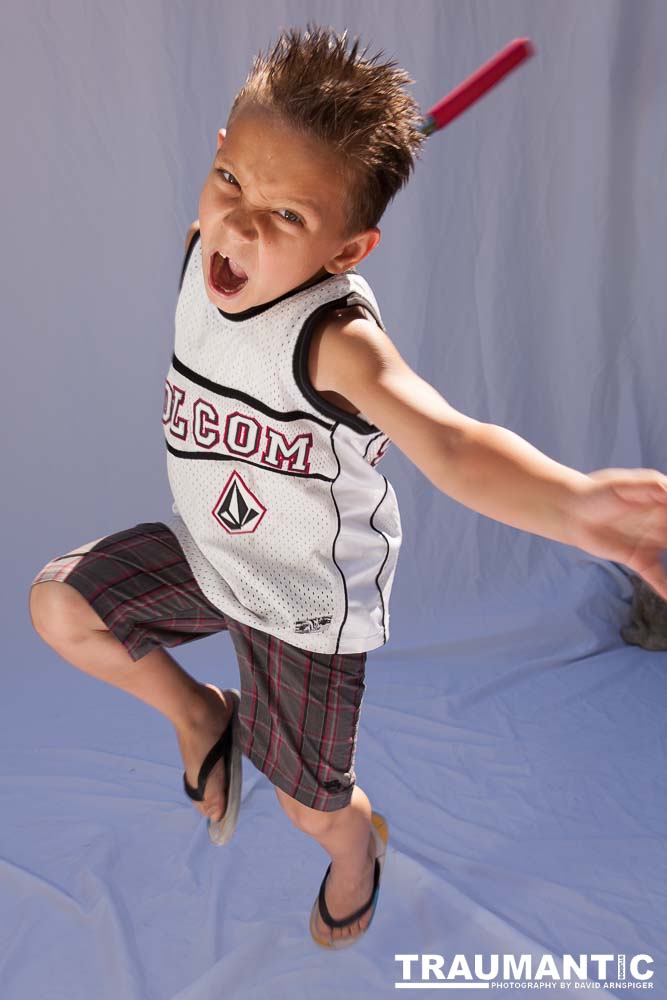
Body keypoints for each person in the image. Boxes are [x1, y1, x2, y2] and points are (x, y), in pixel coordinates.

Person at [27, 24, 667, 951]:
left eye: (288, 217)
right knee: (61, 606)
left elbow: (452, 445)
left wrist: (572, 506)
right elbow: (251, 208)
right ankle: (202, 714)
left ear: (348, 251)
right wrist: (279, 198)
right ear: (217, 151)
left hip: (303, 607)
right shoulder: (204, 250)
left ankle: (357, 849)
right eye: (232, 181)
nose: (241, 226)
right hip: (210, 555)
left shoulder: (338, 343)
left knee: (308, 807)